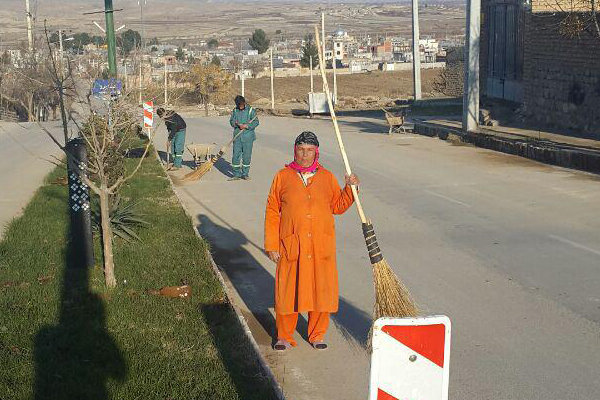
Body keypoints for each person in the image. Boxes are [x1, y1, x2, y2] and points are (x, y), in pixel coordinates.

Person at [264, 131, 360, 351]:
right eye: (300, 150)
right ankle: (284, 336)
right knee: (288, 292)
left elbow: (337, 206)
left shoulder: (326, 177)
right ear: (294, 150)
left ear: (316, 152)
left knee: (320, 292)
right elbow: (272, 211)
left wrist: (350, 189)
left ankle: (317, 334)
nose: (304, 155)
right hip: (291, 245)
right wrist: (271, 244)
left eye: (309, 151)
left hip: (320, 246)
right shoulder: (282, 176)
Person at [229, 95, 259, 180]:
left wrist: (247, 126)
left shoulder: (251, 111)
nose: (240, 106)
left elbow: (256, 122)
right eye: (239, 105)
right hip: (237, 137)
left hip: (248, 137)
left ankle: (245, 174)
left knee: (246, 156)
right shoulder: (235, 111)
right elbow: (231, 121)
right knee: (236, 156)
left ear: (244, 103)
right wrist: (237, 124)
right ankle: (236, 174)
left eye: (241, 105)